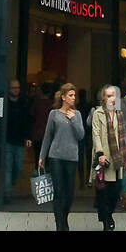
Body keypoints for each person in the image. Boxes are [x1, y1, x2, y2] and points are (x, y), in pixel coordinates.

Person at [38, 82, 84, 231]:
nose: (73, 98)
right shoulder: (54, 114)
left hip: (71, 157)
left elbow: (81, 135)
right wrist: (42, 156)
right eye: (70, 95)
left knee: (69, 193)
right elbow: (47, 136)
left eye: (74, 96)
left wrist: (73, 119)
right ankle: (60, 225)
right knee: (58, 191)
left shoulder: (77, 114)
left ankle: (64, 219)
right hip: (56, 156)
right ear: (63, 97)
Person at [91, 85, 126, 231]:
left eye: (113, 95)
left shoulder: (119, 113)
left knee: (116, 191)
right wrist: (100, 153)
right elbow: (95, 134)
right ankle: (106, 220)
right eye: (108, 95)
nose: (111, 98)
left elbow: (122, 137)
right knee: (103, 192)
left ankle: (109, 215)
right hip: (105, 158)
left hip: (118, 158)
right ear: (103, 98)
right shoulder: (98, 113)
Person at [4, 78, 32, 203]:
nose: (16, 90)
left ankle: (10, 185)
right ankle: (8, 193)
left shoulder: (23, 102)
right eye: (14, 88)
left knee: (19, 167)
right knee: (8, 167)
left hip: (19, 140)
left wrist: (28, 137)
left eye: (18, 88)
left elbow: (27, 120)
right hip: (7, 140)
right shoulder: (5, 103)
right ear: (9, 89)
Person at [30, 83, 54, 167]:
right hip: (49, 136)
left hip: (37, 135)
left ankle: (40, 178)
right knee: (48, 162)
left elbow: (32, 118)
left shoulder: (37, 104)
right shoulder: (52, 105)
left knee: (38, 159)